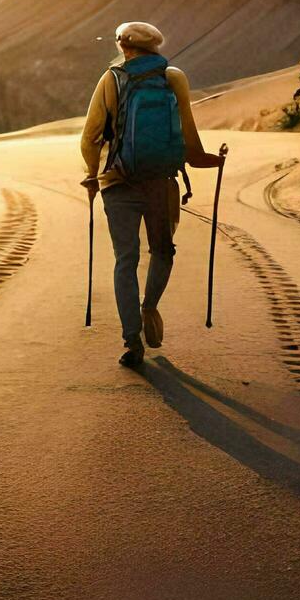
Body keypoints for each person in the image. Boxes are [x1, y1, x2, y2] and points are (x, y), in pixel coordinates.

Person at [80, 21, 225, 369]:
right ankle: (149, 308)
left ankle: (132, 342)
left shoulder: (111, 80)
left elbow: (90, 138)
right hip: (161, 181)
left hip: (118, 181)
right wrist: (212, 160)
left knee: (125, 260)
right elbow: (189, 139)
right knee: (163, 250)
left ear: (123, 47)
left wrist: (91, 175)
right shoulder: (174, 78)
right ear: (155, 48)